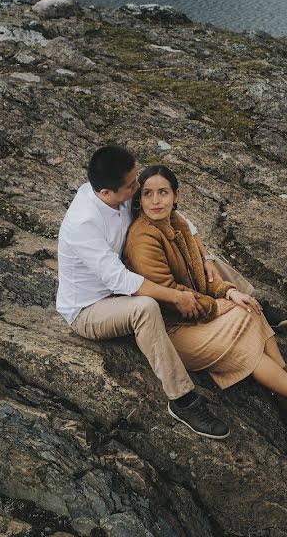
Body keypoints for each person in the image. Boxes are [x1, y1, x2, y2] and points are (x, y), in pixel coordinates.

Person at [122, 164, 287, 429]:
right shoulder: (143, 238)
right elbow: (169, 295)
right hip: (173, 330)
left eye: (163, 192)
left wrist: (229, 292)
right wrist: (217, 306)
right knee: (244, 329)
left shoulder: (177, 222)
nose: (155, 200)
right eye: (147, 193)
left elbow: (202, 274)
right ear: (138, 199)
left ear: (176, 196)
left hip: (194, 318)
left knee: (248, 306)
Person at [57, 145, 230, 439]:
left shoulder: (119, 193)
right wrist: (177, 296)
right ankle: (182, 400)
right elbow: (119, 280)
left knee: (192, 255)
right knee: (146, 307)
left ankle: (247, 299)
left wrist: (207, 257)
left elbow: (175, 217)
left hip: (123, 291)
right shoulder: (83, 223)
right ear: (106, 193)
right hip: (90, 309)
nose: (139, 188)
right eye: (133, 185)